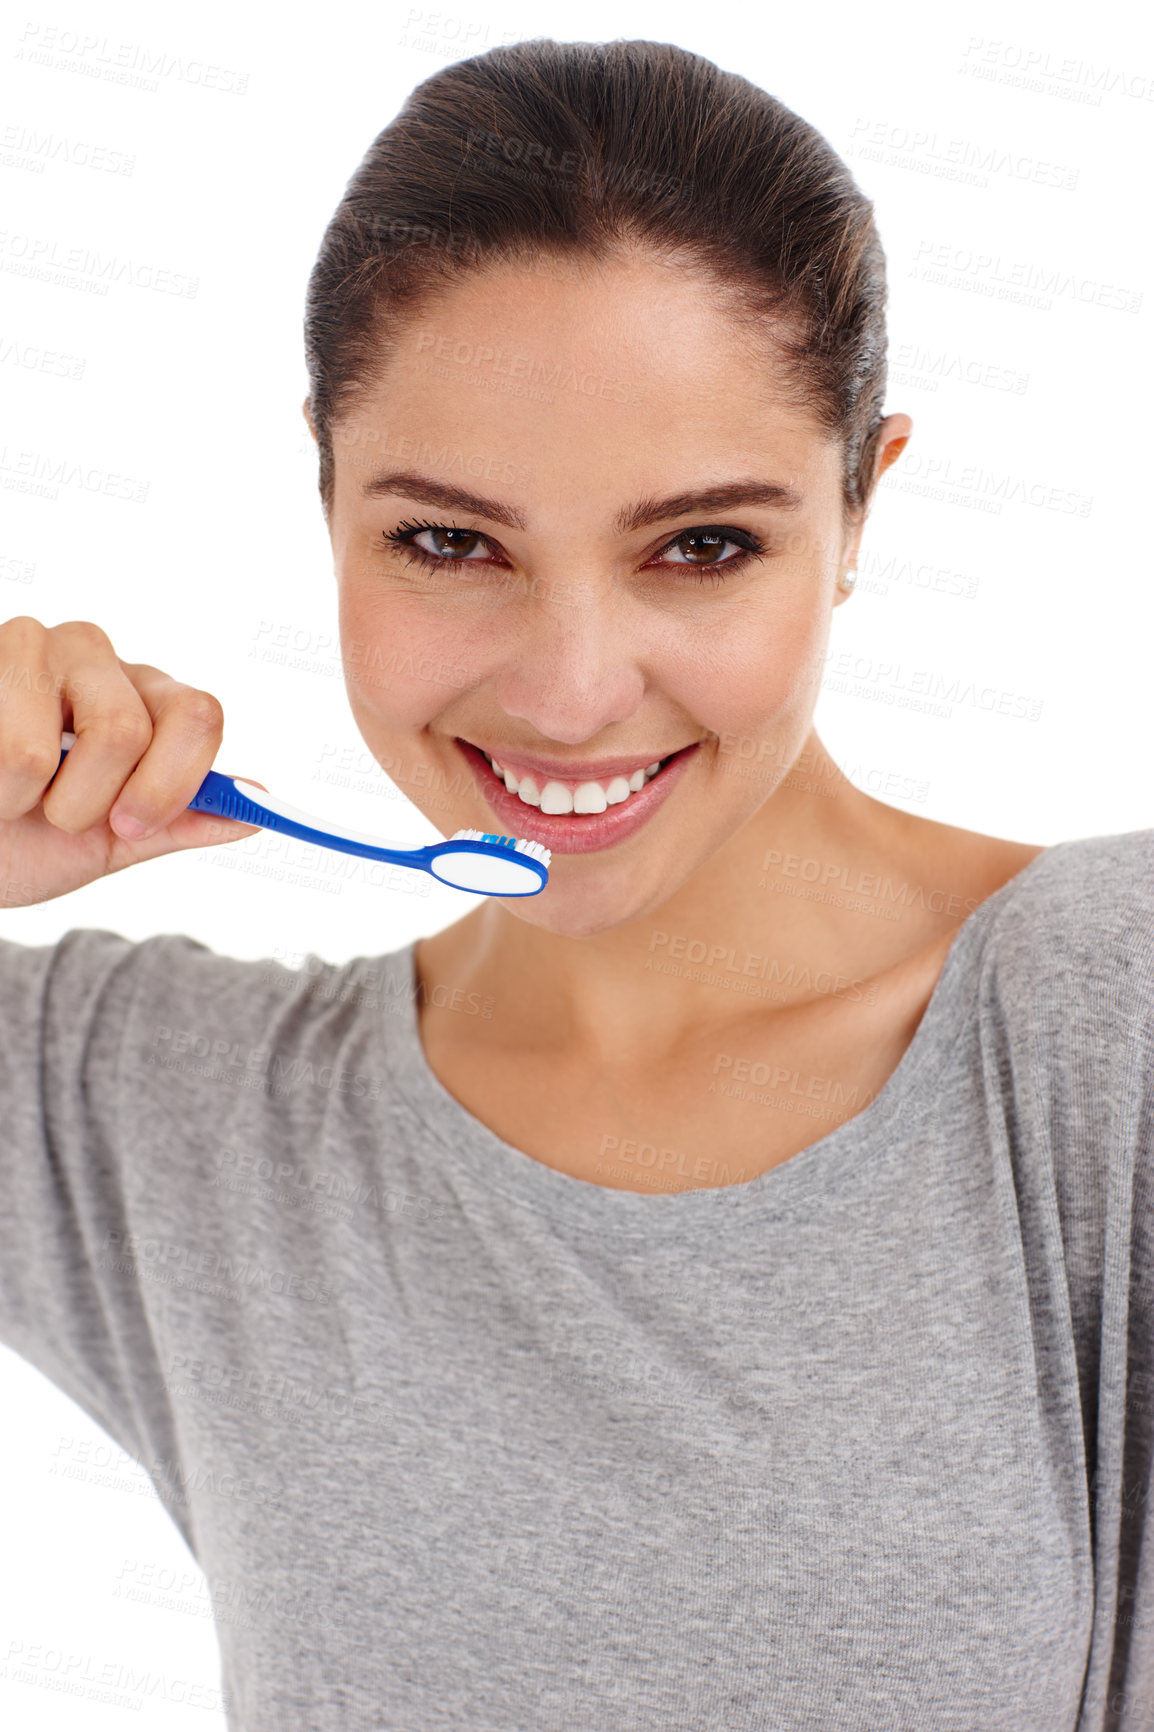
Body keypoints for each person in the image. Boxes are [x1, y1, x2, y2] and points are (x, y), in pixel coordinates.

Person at [1, 37, 1150, 1732]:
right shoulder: (164, 1116)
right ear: (326, 492)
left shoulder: (1098, 1020)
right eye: (450, 542)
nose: (567, 690)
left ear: (858, 509)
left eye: (701, 546)